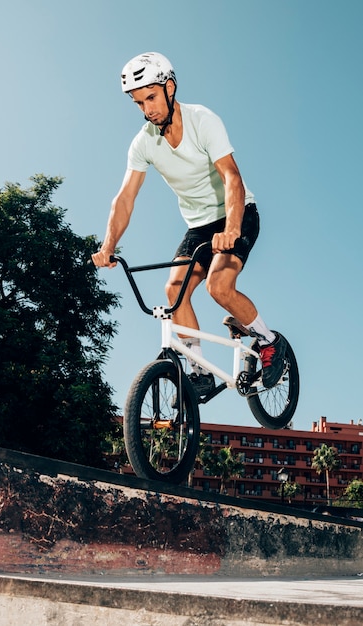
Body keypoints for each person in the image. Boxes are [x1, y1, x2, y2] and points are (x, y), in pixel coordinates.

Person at [92, 52, 286, 397]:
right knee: (173, 290)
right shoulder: (144, 143)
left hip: (235, 212)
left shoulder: (202, 120)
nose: (147, 109)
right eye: (138, 103)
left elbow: (231, 177)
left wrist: (232, 229)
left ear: (169, 87)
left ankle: (270, 342)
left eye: (151, 97)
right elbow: (125, 198)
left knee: (219, 287)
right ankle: (199, 370)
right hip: (198, 226)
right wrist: (108, 246)